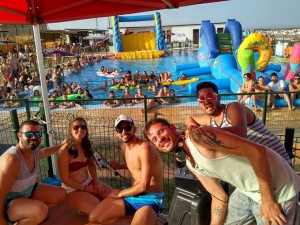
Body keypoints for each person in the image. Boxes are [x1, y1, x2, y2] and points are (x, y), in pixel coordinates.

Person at [144, 117, 300, 225]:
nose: (160, 139)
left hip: (277, 188)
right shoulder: (190, 163)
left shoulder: (199, 136)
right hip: (247, 190)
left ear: (172, 128)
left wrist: (268, 201)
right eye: (154, 139)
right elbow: (218, 196)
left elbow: (258, 152)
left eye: (161, 132)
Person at [185, 81, 292, 165]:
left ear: (218, 97)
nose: (206, 101)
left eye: (210, 96)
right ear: (199, 104)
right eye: (202, 99)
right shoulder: (211, 120)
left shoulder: (233, 108)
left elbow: (240, 131)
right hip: (260, 165)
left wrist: (205, 132)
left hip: (279, 162)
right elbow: (188, 118)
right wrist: (193, 128)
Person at [88, 115, 164, 225]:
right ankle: (137, 217)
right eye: (120, 130)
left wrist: (120, 194)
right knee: (94, 218)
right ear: (116, 133)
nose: (124, 132)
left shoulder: (145, 147)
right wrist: (120, 166)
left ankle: (150, 217)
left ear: (134, 129)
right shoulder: (124, 147)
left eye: (127, 128)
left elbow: (143, 186)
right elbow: (136, 165)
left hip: (150, 197)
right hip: (132, 193)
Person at [0, 120, 66, 225]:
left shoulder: (33, 150)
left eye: (38, 134)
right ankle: (24, 218)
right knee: (40, 210)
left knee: (61, 194)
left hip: (26, 193)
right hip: (7, 203)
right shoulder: (13, 160)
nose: (34, 137)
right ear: (19, 135)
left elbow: (44, 152)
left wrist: (60, 146)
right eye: (29, 134)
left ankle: (30, 215)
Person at [57, 117, 111, 216]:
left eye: (83, 127)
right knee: (96, 208)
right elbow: (65, 179)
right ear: (70, 130)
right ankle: (79, 203)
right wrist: (85, 188)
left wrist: (95, 181)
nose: (80, 129)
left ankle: (85, 201)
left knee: (111, 197)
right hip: (72, 188)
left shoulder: (86, 144)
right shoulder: (64, 151)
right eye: (76, 127)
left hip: (88, 182)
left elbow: (91, 165)